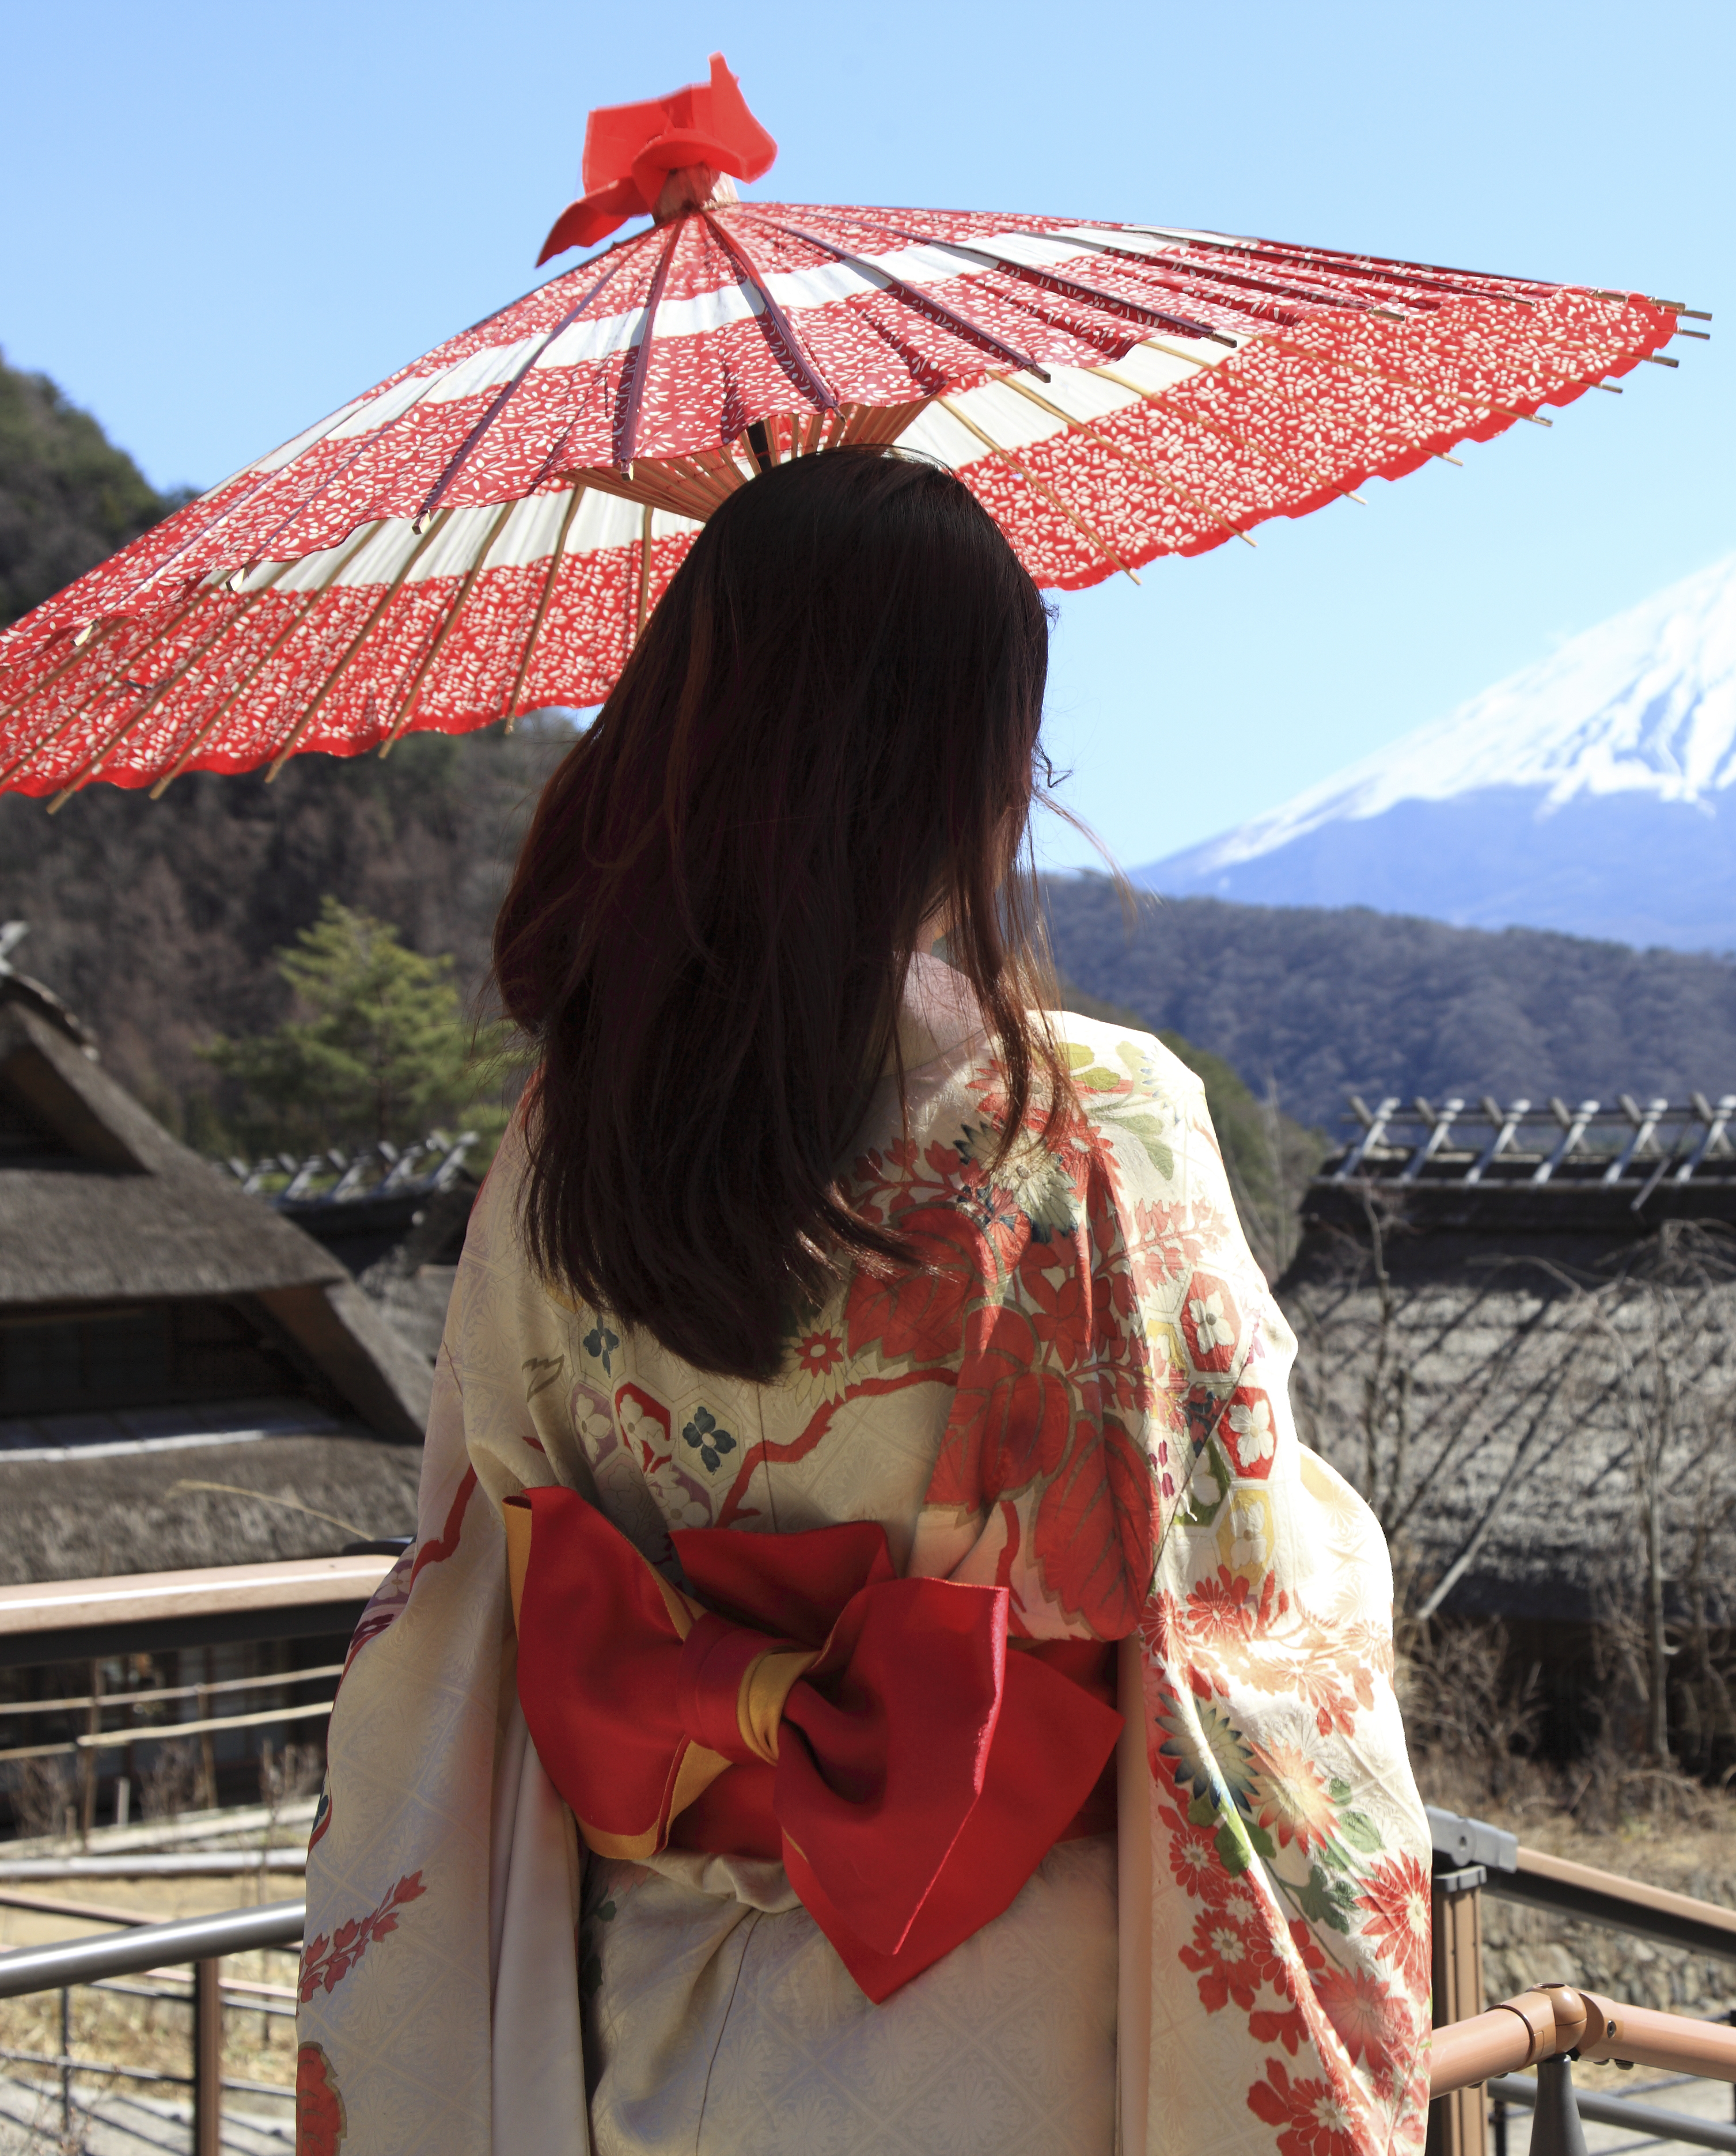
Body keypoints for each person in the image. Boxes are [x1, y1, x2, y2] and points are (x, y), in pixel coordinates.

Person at [298, 447, 1433, 2155]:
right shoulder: (1092, 1133)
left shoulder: (562, 1139)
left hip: (644, 2023)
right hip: (1002, 2037)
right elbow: (1242, 1618)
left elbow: (473, 1568)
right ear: (967, 763)